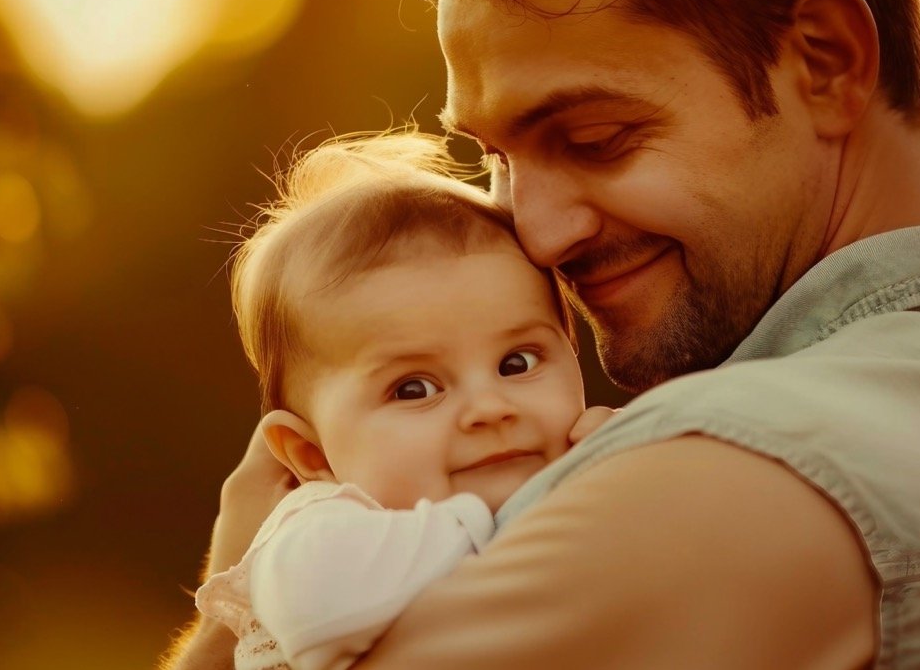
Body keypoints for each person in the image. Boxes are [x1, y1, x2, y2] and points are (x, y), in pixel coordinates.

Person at [163, 0, 920, 668]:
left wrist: (231, 605)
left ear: (825, 62)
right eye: (498, 158)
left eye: (596, 139)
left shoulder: (712, 475)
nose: (538, 233)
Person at [192, 131, 611, 669]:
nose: (489, 407)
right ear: (310, 456)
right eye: (414, 389)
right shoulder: (317, 533)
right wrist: (588, 491)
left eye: (518, 363)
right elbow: (330, 614)